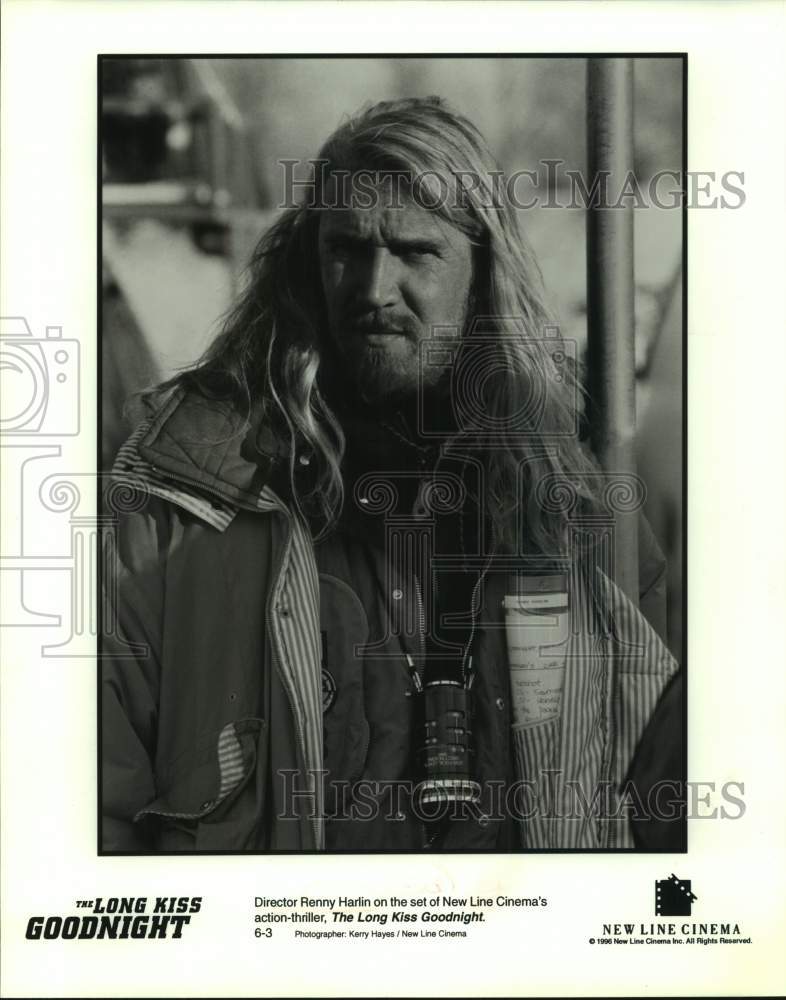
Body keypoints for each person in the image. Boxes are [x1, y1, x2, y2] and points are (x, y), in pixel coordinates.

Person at [101, 96, 680, 853]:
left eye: (414, 251)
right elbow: (94, 798)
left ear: (482, 272)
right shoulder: (191, 489)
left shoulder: (568, 488)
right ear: (309, 260)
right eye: (347, 247)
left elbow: (662, 776)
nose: (373, 288)